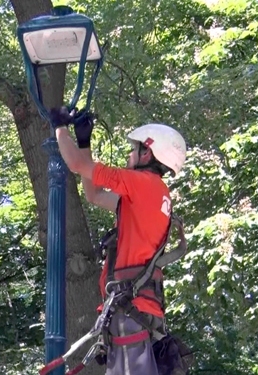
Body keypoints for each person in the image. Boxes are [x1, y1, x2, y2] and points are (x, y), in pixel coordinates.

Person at [48, 106, 188, 375]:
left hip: (130, 310)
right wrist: (84, 141)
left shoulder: (142, 183)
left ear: (147, 153)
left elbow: (77, 166)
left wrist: (59, 127)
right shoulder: (153, 195)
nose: (129, 154)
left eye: (133, 149)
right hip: (136, 312)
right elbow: (95, 195)